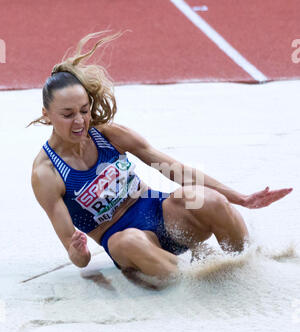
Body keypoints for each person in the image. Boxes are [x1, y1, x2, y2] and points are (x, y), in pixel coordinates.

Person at [29, 31, 293, 280]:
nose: (80, 122)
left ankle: (248, 266)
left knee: (209, 199)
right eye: (67, 115)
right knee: (129, 240)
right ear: (46, 114)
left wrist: (241, 198)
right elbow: (79, 257)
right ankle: (193, 282)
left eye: (84, 111)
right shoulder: (46, 173)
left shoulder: (107, 134)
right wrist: (79, 252)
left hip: (162, 213)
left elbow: (172, 168)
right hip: (125, 240)